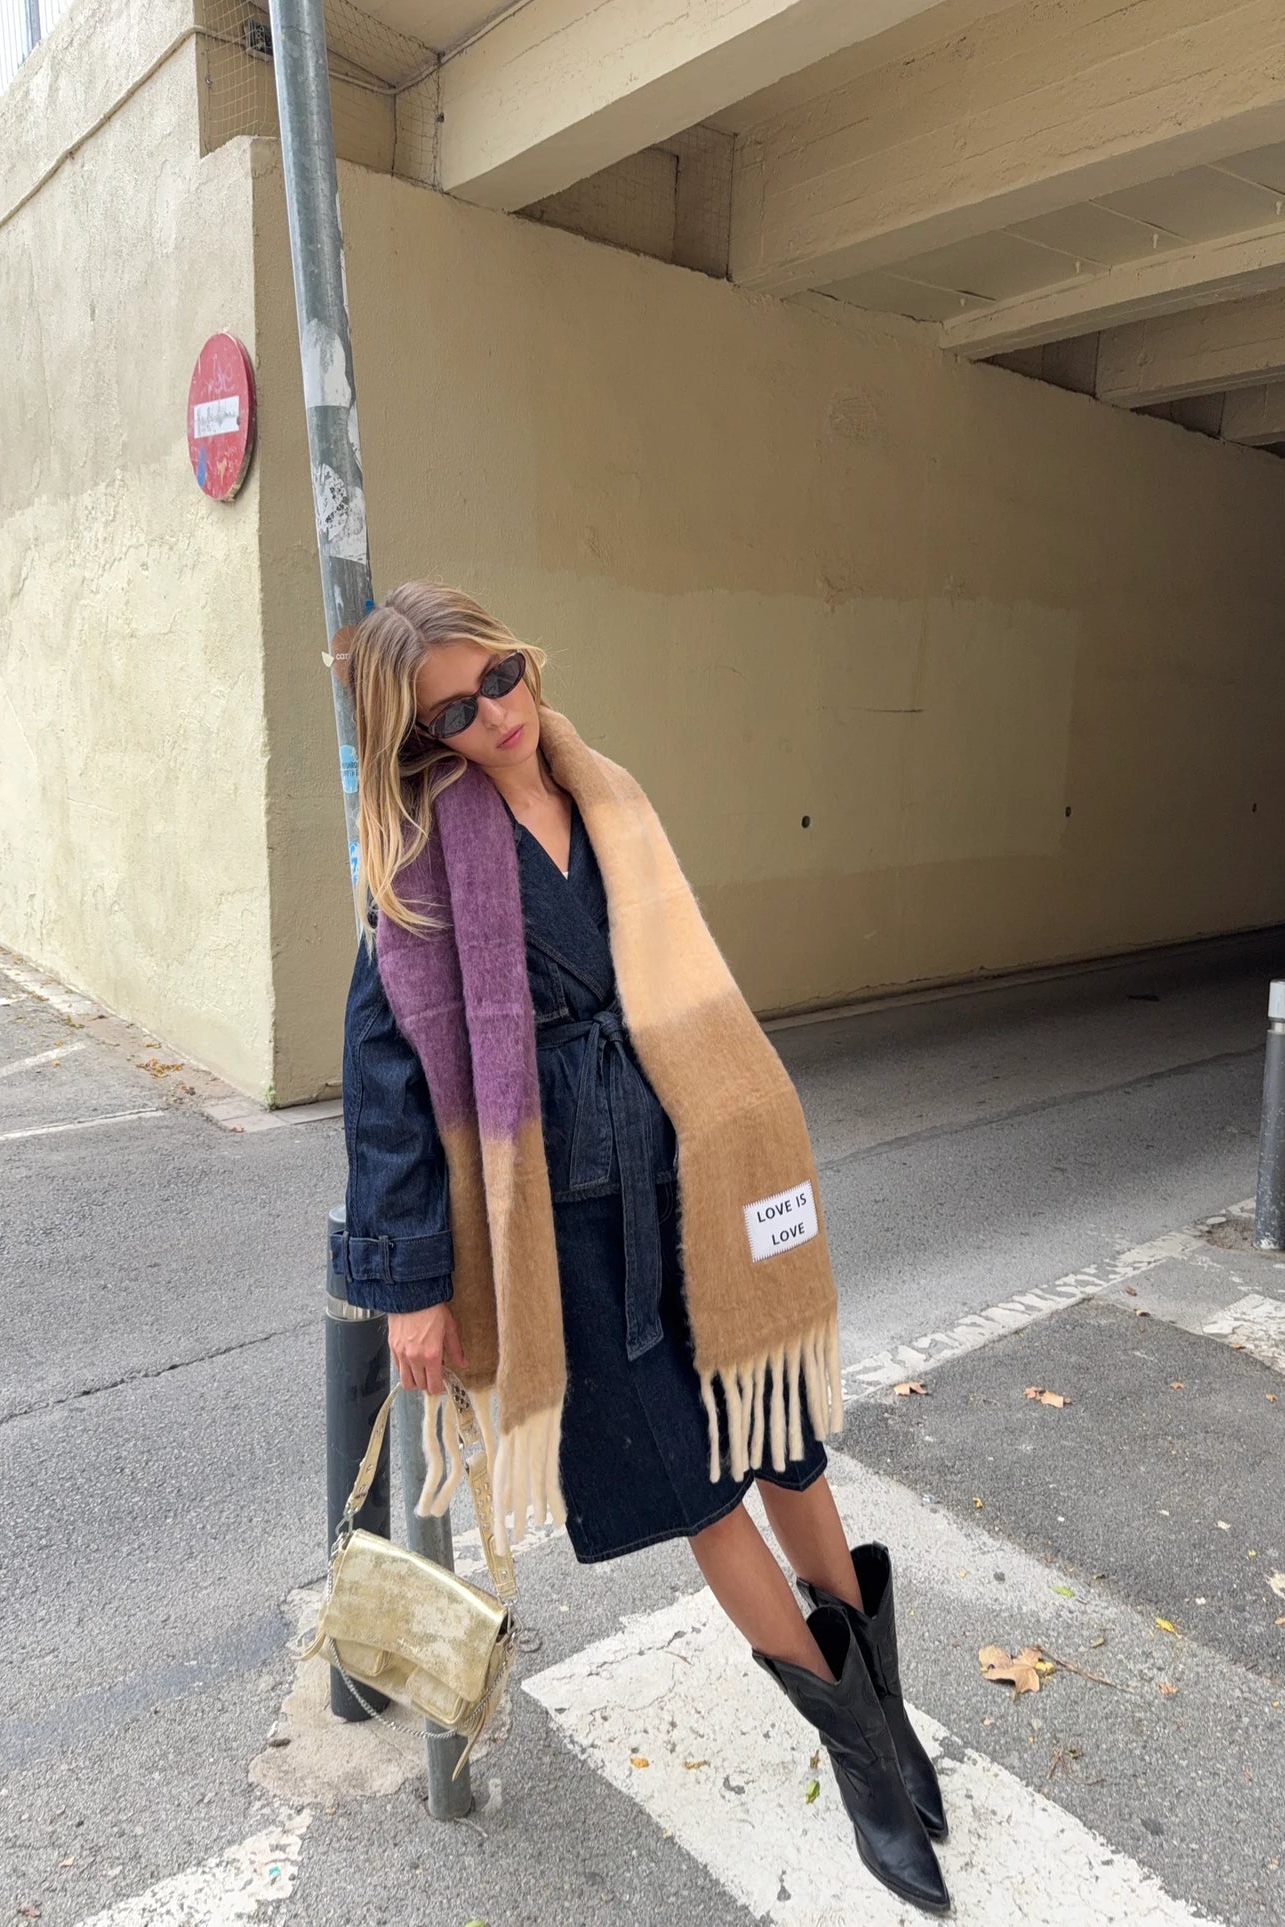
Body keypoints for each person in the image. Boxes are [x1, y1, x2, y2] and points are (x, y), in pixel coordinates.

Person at [334, 582, 950, 1916]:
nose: (491, 714)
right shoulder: (424, 861)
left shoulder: (606, 786)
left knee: (777, 1437)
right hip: (562, 1215)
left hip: (700, 1166)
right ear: (416, 734)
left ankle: (883, 1704)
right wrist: (411, 1285)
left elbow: (683, 981)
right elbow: (388, 1084)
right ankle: (855, 1760)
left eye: (495, 678)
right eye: (450, 709)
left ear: (518, 657)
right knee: (694, 1480)